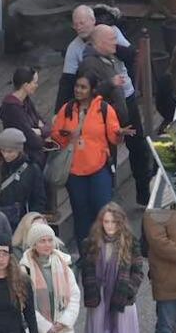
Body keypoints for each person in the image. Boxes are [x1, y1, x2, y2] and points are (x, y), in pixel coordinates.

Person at [80, 23, 154, 206]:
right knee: (108, 158)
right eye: (112, 40)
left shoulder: (108, 55)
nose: (116, 43)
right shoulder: (89, 64)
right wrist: (110, 83)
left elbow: (132, 55)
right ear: (99, 42)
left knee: (139, 147)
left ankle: (143, 194)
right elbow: (86, 93)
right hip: (105, 118)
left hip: (124, 108)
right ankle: (108, 200)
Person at [49, 73, 125, 249]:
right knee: (81, 216)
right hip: (74, 172)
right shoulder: (66, 109)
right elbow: (56, 136)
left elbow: (113, 137)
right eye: (77, 86)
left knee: (105, 213)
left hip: (99, 169)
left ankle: (108, 251)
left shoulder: (104, 109)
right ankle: (86, 257)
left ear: (92, 90)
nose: (78, 90)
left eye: (83, 87)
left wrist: (119, 133)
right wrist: (67, 135)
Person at [82, 205, 146, 333]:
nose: (109, 226)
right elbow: (86, 272)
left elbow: (138, 271)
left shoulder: (130, 243)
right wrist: (93, 292)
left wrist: (127, 290)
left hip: (121, 300)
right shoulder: (90, 244)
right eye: (106, 222)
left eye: (113, 222)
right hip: (100, 301)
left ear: (120, 223)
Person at [0, 128, 46, 228]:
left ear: (19, 149)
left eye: (10, 151)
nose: (6, 155)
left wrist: (33, 219)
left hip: (21, 220)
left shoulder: (32, 169)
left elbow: (38, 198)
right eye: (3, 150)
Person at [0, 66, 51, 169]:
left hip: (36, 157)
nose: (37, 85)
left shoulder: (26, 101)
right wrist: (41, 132)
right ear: (26, 85)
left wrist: (39, 131)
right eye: (34, 82)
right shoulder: (12, 110)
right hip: (26, 161)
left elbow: (46, 125)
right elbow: (32, 140)